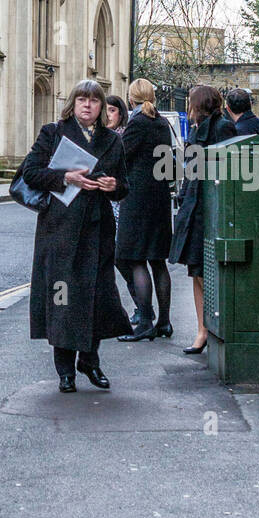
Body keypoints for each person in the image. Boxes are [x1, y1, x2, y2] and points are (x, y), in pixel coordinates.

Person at [22, 78, 132, 393]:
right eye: (82, 99)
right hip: (59, 231)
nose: (87, 105)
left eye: (94, 100)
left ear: (101, 107)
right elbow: (30, 172)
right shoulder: (53, 134)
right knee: (63, 299)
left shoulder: (113, 140)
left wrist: (114, 187)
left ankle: (90, 361)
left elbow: (124, 185)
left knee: (95, 297)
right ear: (73, 103)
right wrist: (64, 177)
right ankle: (65, 370)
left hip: (96, 231)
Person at [169, 84, 235, 354]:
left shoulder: (222, 128)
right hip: (194, 208)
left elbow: (228, 172)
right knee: (196, 271)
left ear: (198, 104)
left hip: (211, 210)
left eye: (190, 103)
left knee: (209, 272)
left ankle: (212, 328)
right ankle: (202, 330)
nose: (188, 107)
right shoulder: (197, 130)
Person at [114, 78, 175, 342]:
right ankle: (164, 322)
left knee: (136, 259)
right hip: (160, 199)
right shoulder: (162, 123)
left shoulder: (137, 123)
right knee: (158, 262)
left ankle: (145, 322)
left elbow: (120, 157)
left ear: (131, 99)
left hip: (137, 199)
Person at [105, 95, 139, 320]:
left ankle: (141, 306)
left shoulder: (122, 137)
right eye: (105, 110)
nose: (108, 115)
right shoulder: (102, 137)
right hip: (102, 204)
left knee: (120, 257)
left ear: (121, 113)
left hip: (120, 203)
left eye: (112, 110)